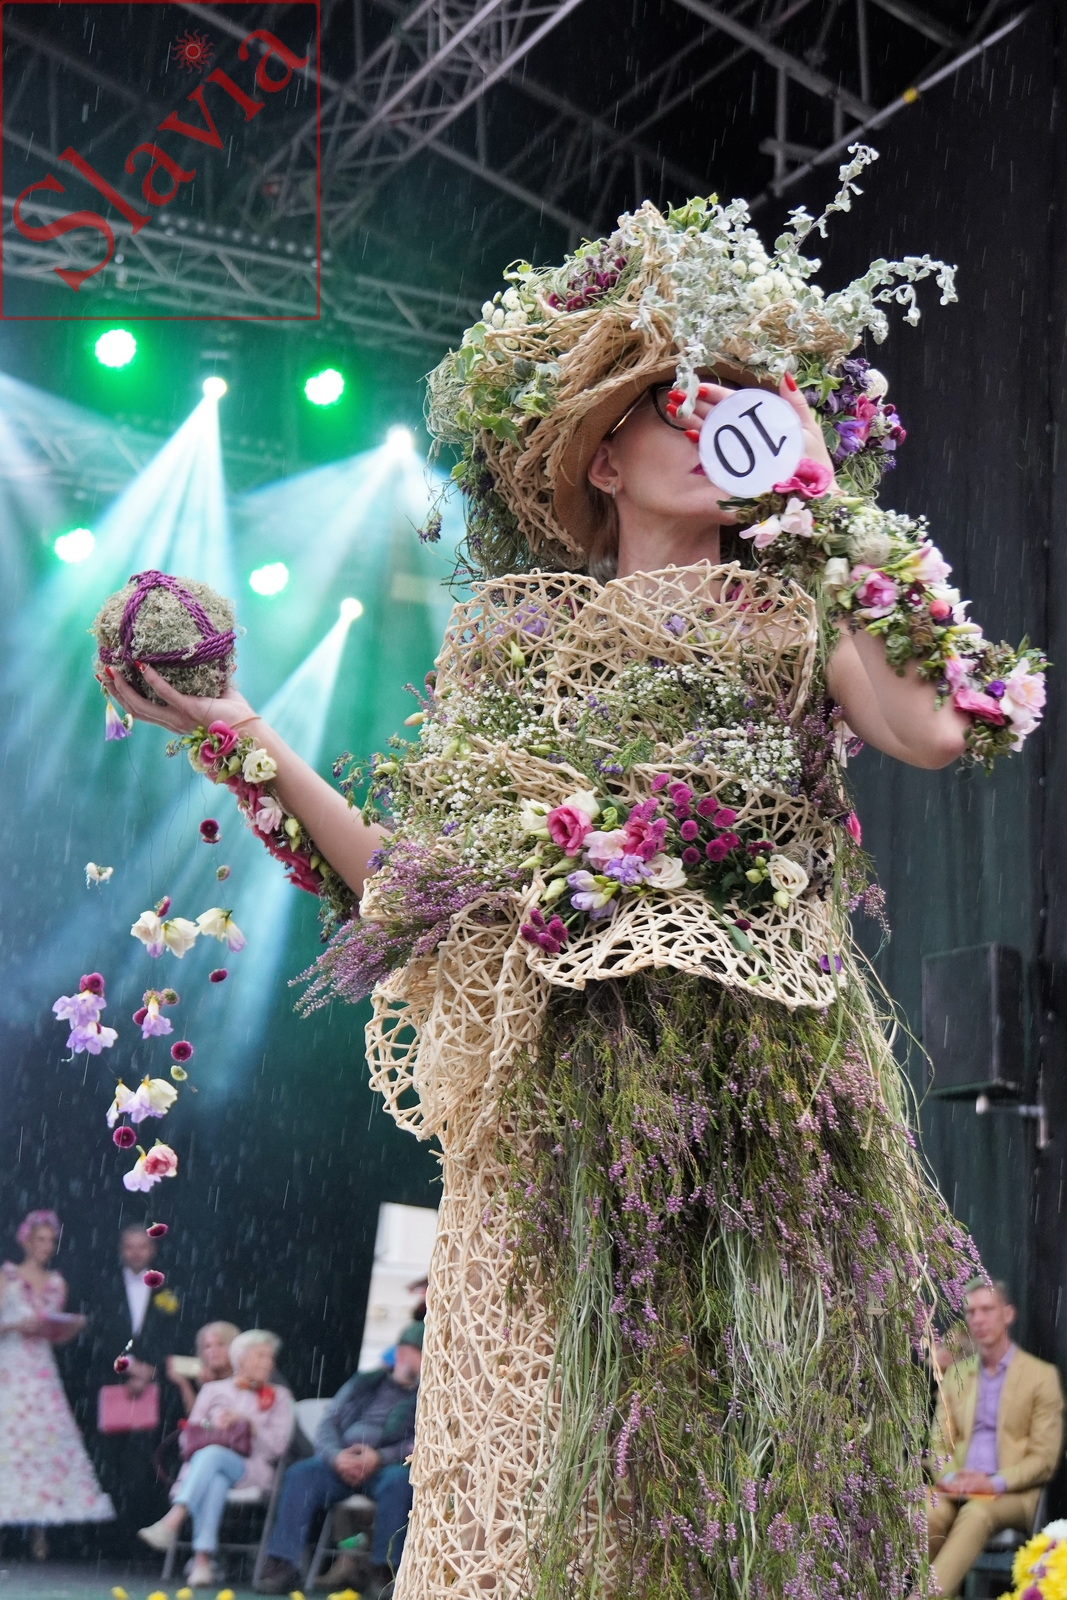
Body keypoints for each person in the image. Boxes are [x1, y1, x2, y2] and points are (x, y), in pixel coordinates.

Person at [105, 151, 1046, 1600]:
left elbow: (938, 727)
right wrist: (242, 733)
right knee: (544, 1490)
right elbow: (408, 885)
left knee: (732, 1495)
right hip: (553, 1125)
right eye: (672, 402)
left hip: (754, 1112)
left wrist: (823, 500)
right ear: (599, 460)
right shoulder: (511, 651)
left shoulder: (794, 620)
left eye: (734, 400)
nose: (712, 424)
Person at [255, 1321, 422, 1596]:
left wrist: (378, 1457)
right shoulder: (364, 1382)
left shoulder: (427, 1396)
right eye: (420, 1352)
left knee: (400, 1482)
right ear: (402, 1353)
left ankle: (384, 1571)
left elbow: (420, 1440)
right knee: (301, 1474)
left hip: (387, 1466)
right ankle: (282, 1565)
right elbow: (328, 1423)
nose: (426, 1359)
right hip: (341, 1461)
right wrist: (337, 1457)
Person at [924, 1281, 1064, 1599]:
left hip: (1012, 1493)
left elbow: (1044, 1459)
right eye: (971, 1312)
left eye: (987, 1309)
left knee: (977, 1513)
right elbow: (938, 1448)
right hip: (957, 1488)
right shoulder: (956, 1377)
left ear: (1008, 1314)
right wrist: (952, 1477)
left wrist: (992, 1482)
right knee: (926, 1512)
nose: (978, 1319)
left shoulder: (1040, 1377)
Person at [138, 1328, 294, 1589]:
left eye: (269, 1357)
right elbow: (187, 1439)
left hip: (251, 1468)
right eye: (260, 1356)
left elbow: (278, 1448)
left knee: (212, 1458)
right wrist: (213, 1426)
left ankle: (175, 1518)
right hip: (210, 1467)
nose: (268, 1363)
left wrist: (249, 1424)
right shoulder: (212, 1390)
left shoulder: (280, 1396)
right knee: (215, 1476)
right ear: (241, 1359)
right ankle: (202, 1561)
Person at [0, 1211, 114, 1555]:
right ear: (26, 1240)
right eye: (41, 1239)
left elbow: (54, 1335)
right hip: (9, 1365)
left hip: (40, 1369)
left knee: (41, 1440)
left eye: (51, 1241)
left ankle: (40, 1525)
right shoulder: (7, 1275)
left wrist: (70, 1328)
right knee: (8, 1439)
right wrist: (18, 1326)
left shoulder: (56, 1282)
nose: (46, 1246)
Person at [86, 1224, 182, 1544]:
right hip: (112, 1384)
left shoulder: (169, 1286)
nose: (136, 1253)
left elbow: (177, 1332)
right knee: (110, 1462)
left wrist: (151, 1369)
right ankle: (110, 1541)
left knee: (152, 1462)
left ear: (153, 1250)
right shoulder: (103, 1286)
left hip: (159, 1386)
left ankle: (144, 1539)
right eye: (130, 1246)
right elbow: (96, 1334)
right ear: (120, 1250)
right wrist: (128, 1367)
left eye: (142, 1246)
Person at [166, 1321, 240, 1417]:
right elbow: (197, 1419)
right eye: (207, 1346)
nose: (212, 1350)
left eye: (220, 1344)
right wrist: (183, 1383)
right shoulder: (205, 1380)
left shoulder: (245, 1378)